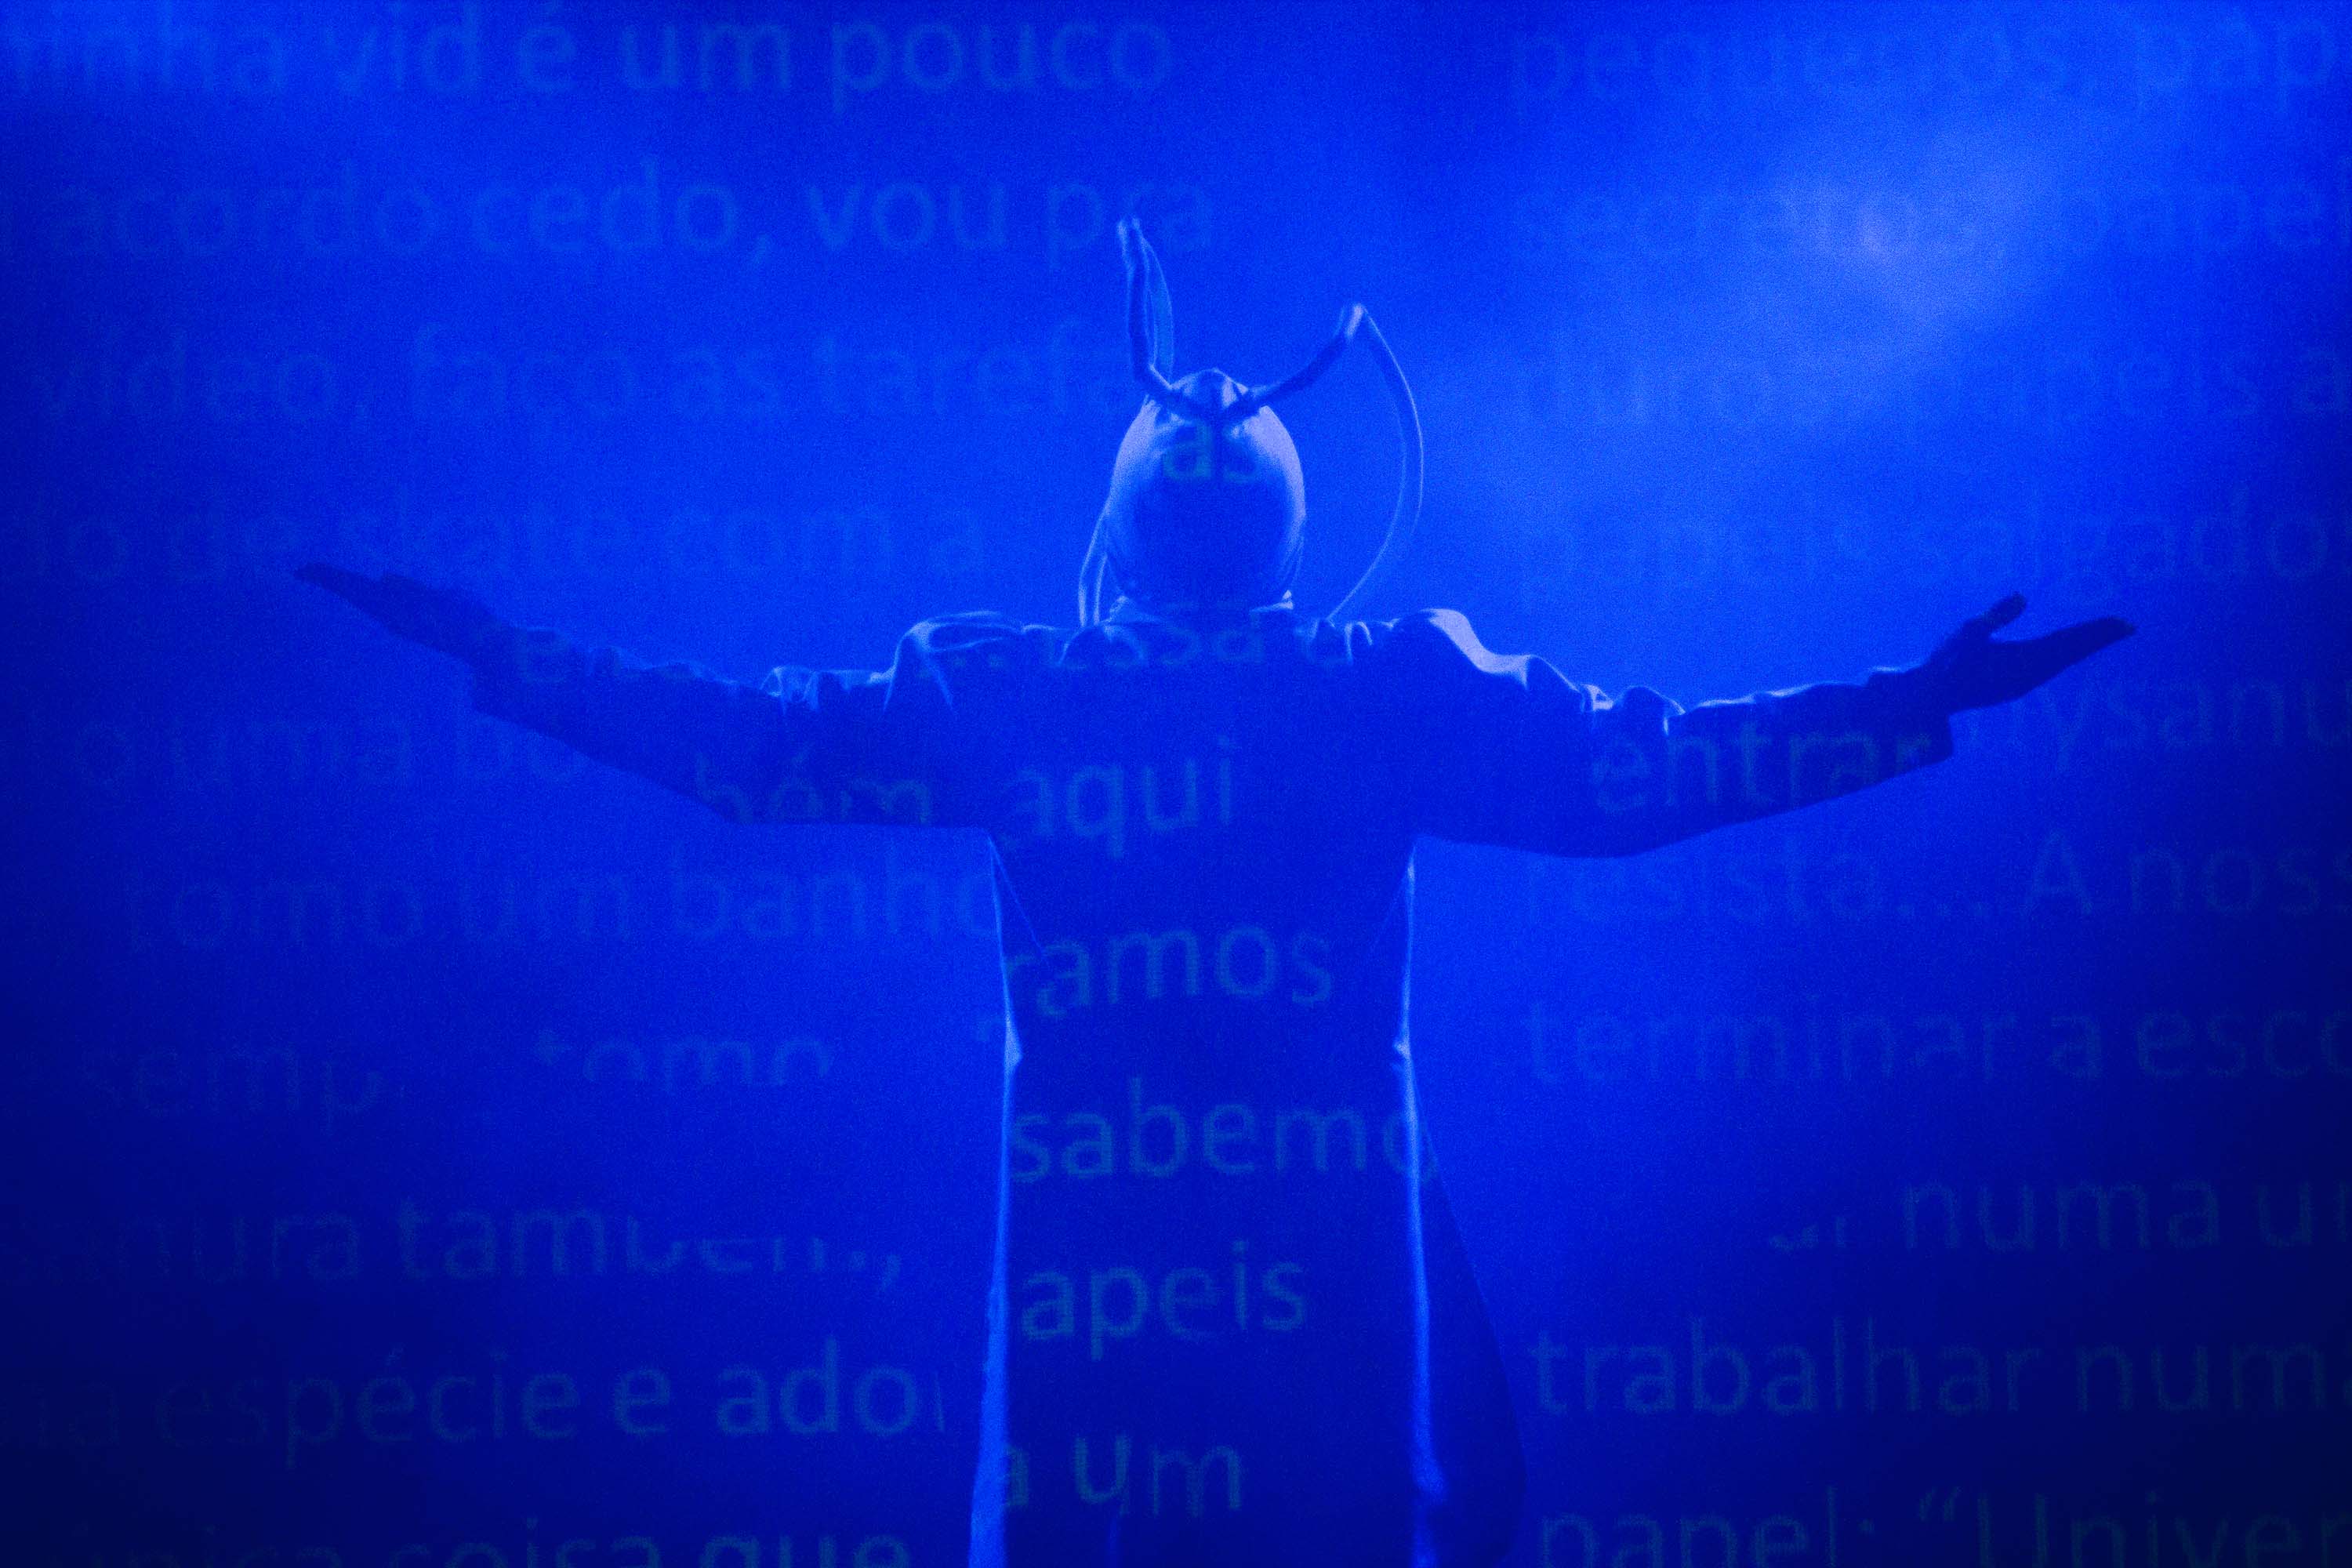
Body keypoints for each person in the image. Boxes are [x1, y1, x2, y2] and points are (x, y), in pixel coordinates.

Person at [298, 224, 2132, 1567]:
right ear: (1289, 537)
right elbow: (1645, 773)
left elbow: (748, 744)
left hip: (1101, 1259)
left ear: (1119, 536)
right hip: (1324, 1258)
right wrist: (1906, 702)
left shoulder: (1019, 700)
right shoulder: (1374, 695)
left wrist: (509, 654)